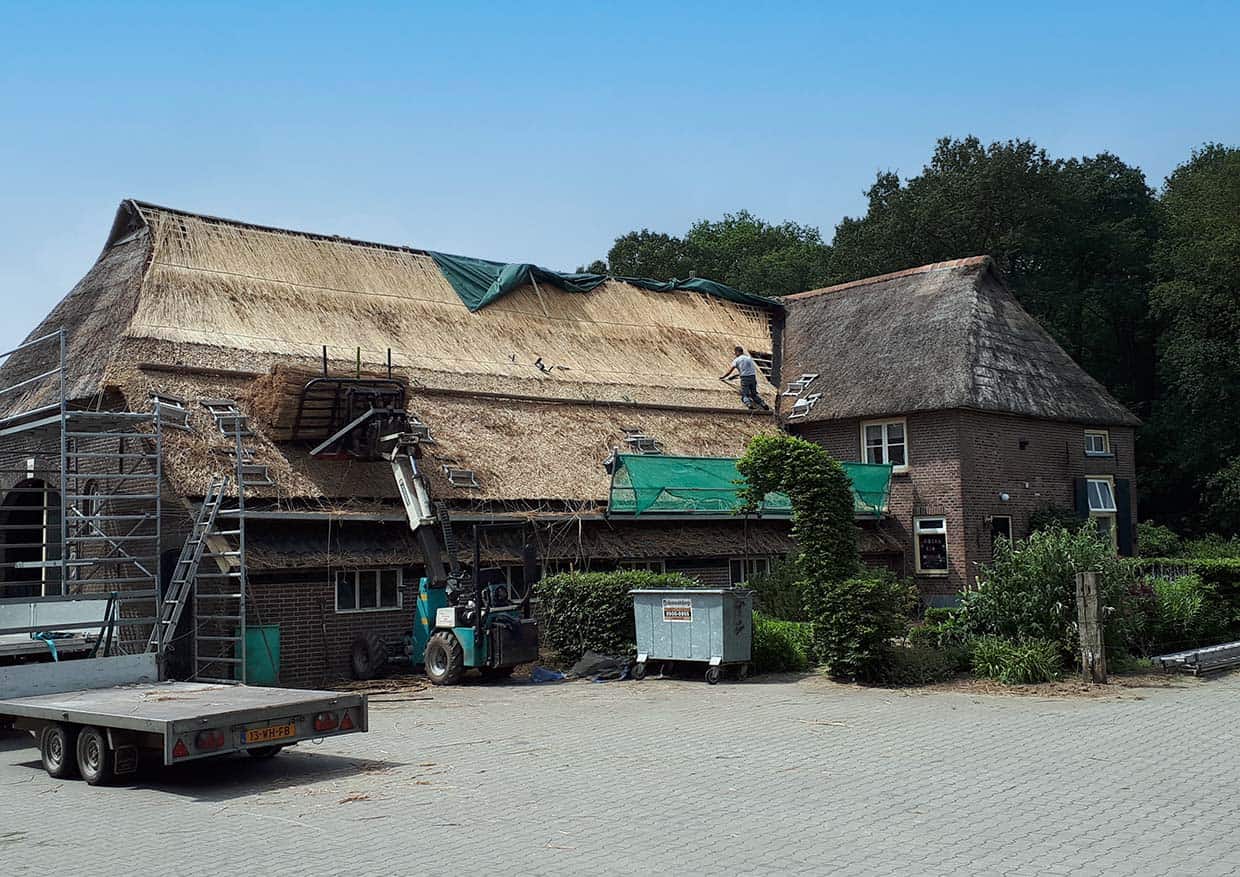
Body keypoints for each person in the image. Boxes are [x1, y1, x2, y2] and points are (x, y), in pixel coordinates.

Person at [720, 346, 770, 411]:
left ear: (738, 352)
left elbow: (729, 371)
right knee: (754, 395)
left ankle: (749, 404)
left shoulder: (737, 360)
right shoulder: (749, 358)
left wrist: (723, 377)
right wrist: (737, 375)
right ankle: (763, 404)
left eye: (735, 353)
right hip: (753, 377)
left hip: (745, 379)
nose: (735, 354)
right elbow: (749, 370)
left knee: (745, 395)